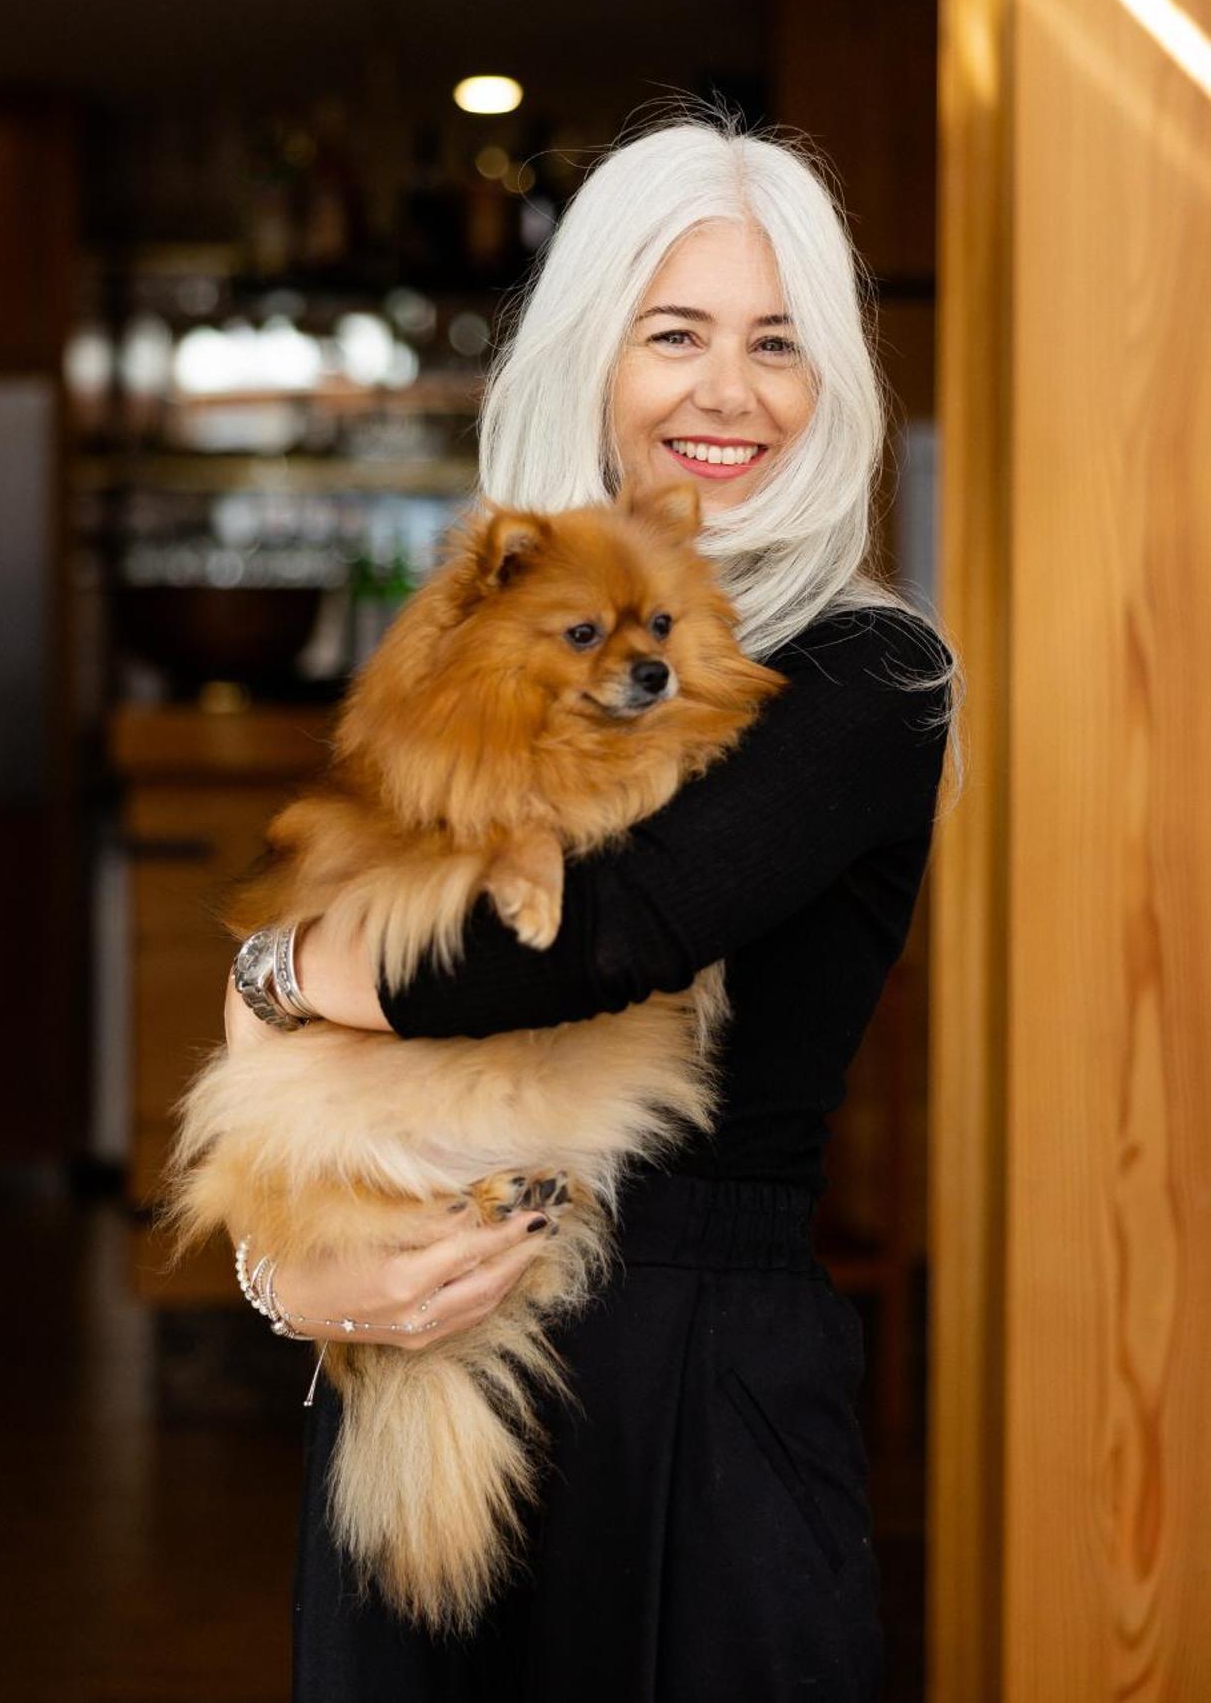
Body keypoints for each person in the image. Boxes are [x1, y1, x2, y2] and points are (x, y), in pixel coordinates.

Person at [222, 108, 964, 1702]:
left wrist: (278, 977)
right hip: (429, 1336)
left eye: (779, 341)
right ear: (588, 357)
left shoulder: (864, 673)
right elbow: (370, 915)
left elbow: (577, 946)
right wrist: (294, 1283)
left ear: (829, 377)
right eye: (675, 332)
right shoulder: (500, 641)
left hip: (688, 1372)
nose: (730, 390)